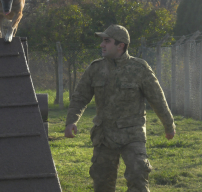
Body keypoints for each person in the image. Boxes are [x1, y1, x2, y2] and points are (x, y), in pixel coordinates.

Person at [64, 24, 176, 192]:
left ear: (120, 46)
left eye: (107, 41)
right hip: (104, 136)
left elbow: (158, 99)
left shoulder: (139, 69)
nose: (102, 45)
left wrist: (169, 125)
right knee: (102, 183)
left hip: (132, 135)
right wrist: (71, 121)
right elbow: (80, 97)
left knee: (139, 175)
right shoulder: (95, 69)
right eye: (102, 41)